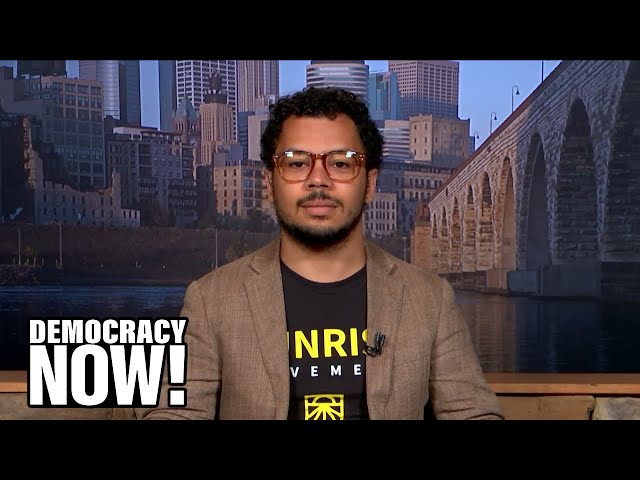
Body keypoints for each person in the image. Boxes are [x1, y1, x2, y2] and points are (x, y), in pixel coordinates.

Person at [136, 86, 503, 420]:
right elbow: (175, 412)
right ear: (269, 183)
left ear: (370, 183)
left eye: (341, 162)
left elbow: (472, 413)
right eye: (297, 162)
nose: (318, 179)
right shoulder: (211, 300)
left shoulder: (431, 300)